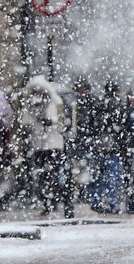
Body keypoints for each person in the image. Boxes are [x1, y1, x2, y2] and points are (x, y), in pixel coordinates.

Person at [21, 76, 67, 214]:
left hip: (53, 144)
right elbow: (26, 122)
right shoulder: (30, 106)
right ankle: (47, 202)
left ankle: (54, 201)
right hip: (39, 145)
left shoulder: (53, 103)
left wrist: (49, 122)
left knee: (51, 174)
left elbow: (59, 122)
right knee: (42, 176)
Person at [91, 81, 126, 214]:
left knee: (98, 177)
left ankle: (97, 201)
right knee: (113, 178)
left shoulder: (99, 105)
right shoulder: (118, 107)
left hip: (99, 146)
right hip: (113, 148)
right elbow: (122, 129)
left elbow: (93, 125)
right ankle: (113, 204)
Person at [68, 78, 99, 204]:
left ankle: (85, 192)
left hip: (86, 139)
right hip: (80, 139)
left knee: (86, 168)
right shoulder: (74, 102)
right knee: (78, 168)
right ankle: (81, 192)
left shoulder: (89, 102)